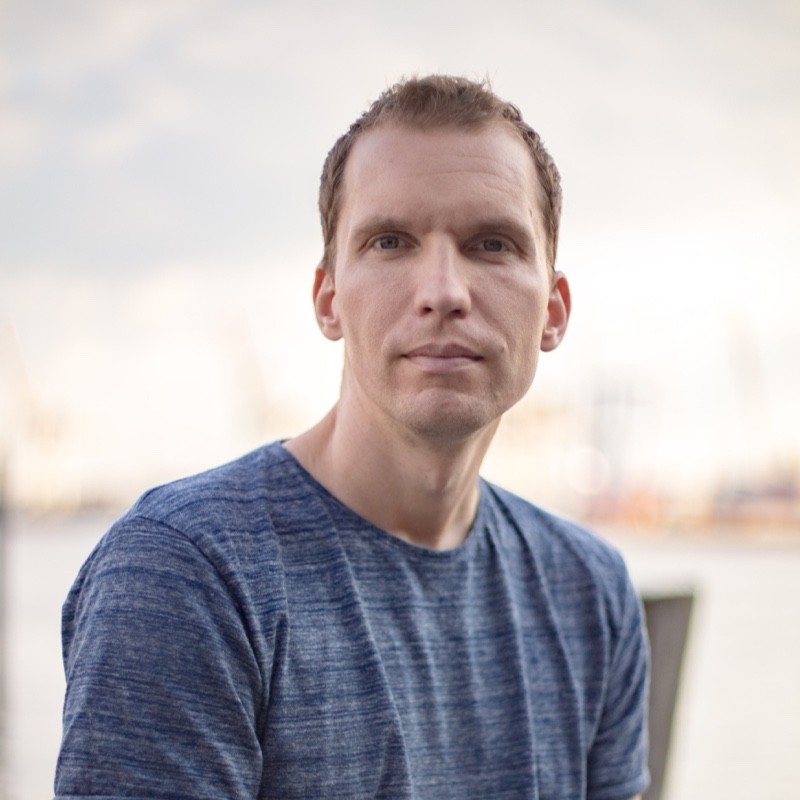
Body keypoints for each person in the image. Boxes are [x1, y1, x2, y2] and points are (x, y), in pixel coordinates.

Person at [55, 75, 649, 800]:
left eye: (491, 244)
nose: (443, 291)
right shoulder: (188, 572)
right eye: (390, 242)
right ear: (328, 298)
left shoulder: (589, 591)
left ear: (552, 311)